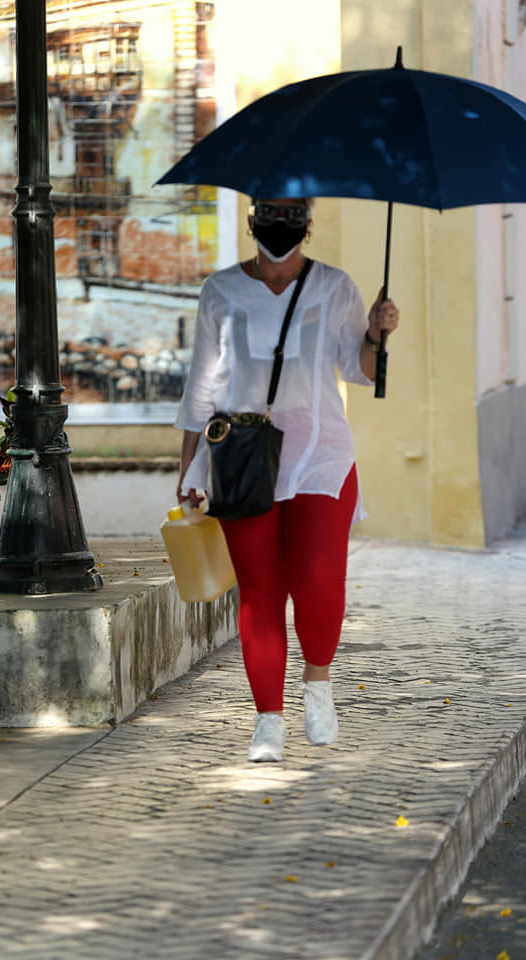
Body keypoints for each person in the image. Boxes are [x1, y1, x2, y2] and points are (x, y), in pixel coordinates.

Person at [174, 197, 399, 762]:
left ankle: (317, 684)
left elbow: (360, 372)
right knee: (260, 591)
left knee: (319, 581)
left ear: (308, 220)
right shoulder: (221, 290)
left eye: (292, 210)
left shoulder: (334, 286)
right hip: (241, 459)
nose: (280, 221)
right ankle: (268, 720)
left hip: (321, 456)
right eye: (270, 209)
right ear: (252, 219)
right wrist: (189, 468)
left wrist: (376, 334)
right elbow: (201, 386)